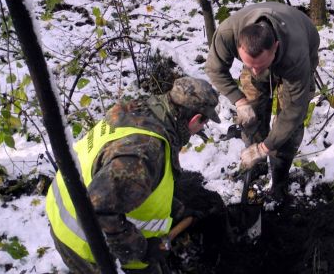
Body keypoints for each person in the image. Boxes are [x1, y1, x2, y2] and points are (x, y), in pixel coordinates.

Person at [46, 77, 221, 273]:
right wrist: (143, 250)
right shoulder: (146, 152)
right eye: (203, 124)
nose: (201, 130)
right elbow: (97, 208)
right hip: (85, 244)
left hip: (60, 214)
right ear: (195, 119)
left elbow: (135, 184)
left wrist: (177, 212)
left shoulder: (134, 111)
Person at [205, 2, 320, 204]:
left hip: (299, 48)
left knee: (288, 130)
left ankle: (279, 180)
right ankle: (255, 169)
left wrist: (264, 148)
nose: (256, 72)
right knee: (251, 113)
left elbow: (293, 112)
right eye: (250, 65)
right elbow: (214, 70)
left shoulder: (295, 55)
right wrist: (239, 101)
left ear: (275, 47)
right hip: (265, 50)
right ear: (238, 47)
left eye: (261, 66)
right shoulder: (227, 33)